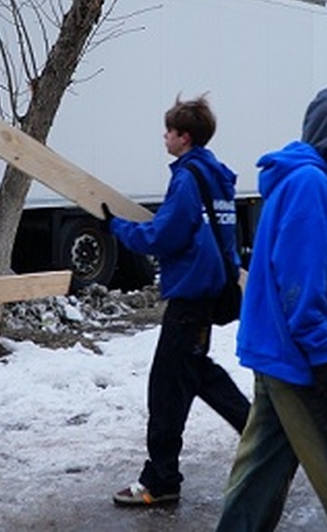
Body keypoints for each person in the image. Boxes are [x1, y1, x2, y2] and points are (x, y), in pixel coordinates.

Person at [216, 87, 327, 532]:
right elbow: (297, 282)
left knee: (260, 476)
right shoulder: (309, 183)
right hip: (299, 362)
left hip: (275, 351)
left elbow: (297, 273)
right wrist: (323, 357)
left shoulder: (295, 180)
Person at [101, 95, 251, 507]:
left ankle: (161, 480)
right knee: (196, 372)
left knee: (166, 388)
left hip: (190, 298)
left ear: (184, 137)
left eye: (169, 130)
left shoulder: (188, 178)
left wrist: (116, 227)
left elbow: (163, 236)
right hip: (207, 294)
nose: (164, 136)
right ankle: (264, 433)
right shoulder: (215, 176)